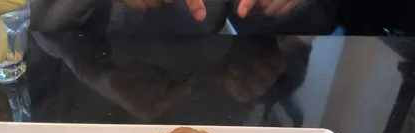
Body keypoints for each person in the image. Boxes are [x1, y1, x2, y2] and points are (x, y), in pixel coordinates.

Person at [31, 0, 336, 34]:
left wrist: (275, 8)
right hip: (68, 116)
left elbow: (321, 22)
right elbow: (23, 21)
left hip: (211, 104)